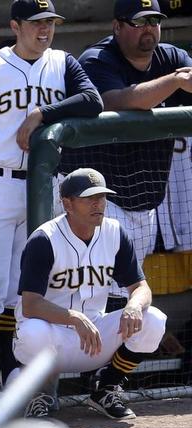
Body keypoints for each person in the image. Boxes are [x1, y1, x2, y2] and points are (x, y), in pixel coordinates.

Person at [0, 0, 103, 410]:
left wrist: (42, 112)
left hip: (43, 185)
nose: (45, 30)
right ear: (15, 25)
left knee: (25, 289)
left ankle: (10, 376)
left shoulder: (62, 62)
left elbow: (93, 101)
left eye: (50, 23)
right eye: (36, 23)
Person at [58, 0, 192, 303]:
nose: (149, 28)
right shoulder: (96, 59)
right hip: (92, 194)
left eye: (154, 20)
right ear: (117, 27)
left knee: (126, 288)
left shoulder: (172, 57)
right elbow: (117, 100)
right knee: (93, 287)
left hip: (143, 196)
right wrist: (175, 81)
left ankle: (115, 347)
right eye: (139, 21)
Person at [14, 168, 167, 419]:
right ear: (67, 204)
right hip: (53, 340)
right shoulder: (44, 239)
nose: (98, 204)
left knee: (153, 319)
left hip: (94, 337)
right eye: (89, 198)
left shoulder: (114, 232)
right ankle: (39, 395)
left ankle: (106, 388)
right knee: (32, 331)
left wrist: (133, 306)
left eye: (102, 197)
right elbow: (30, 305)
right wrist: (73, 317)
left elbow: (141, 288)